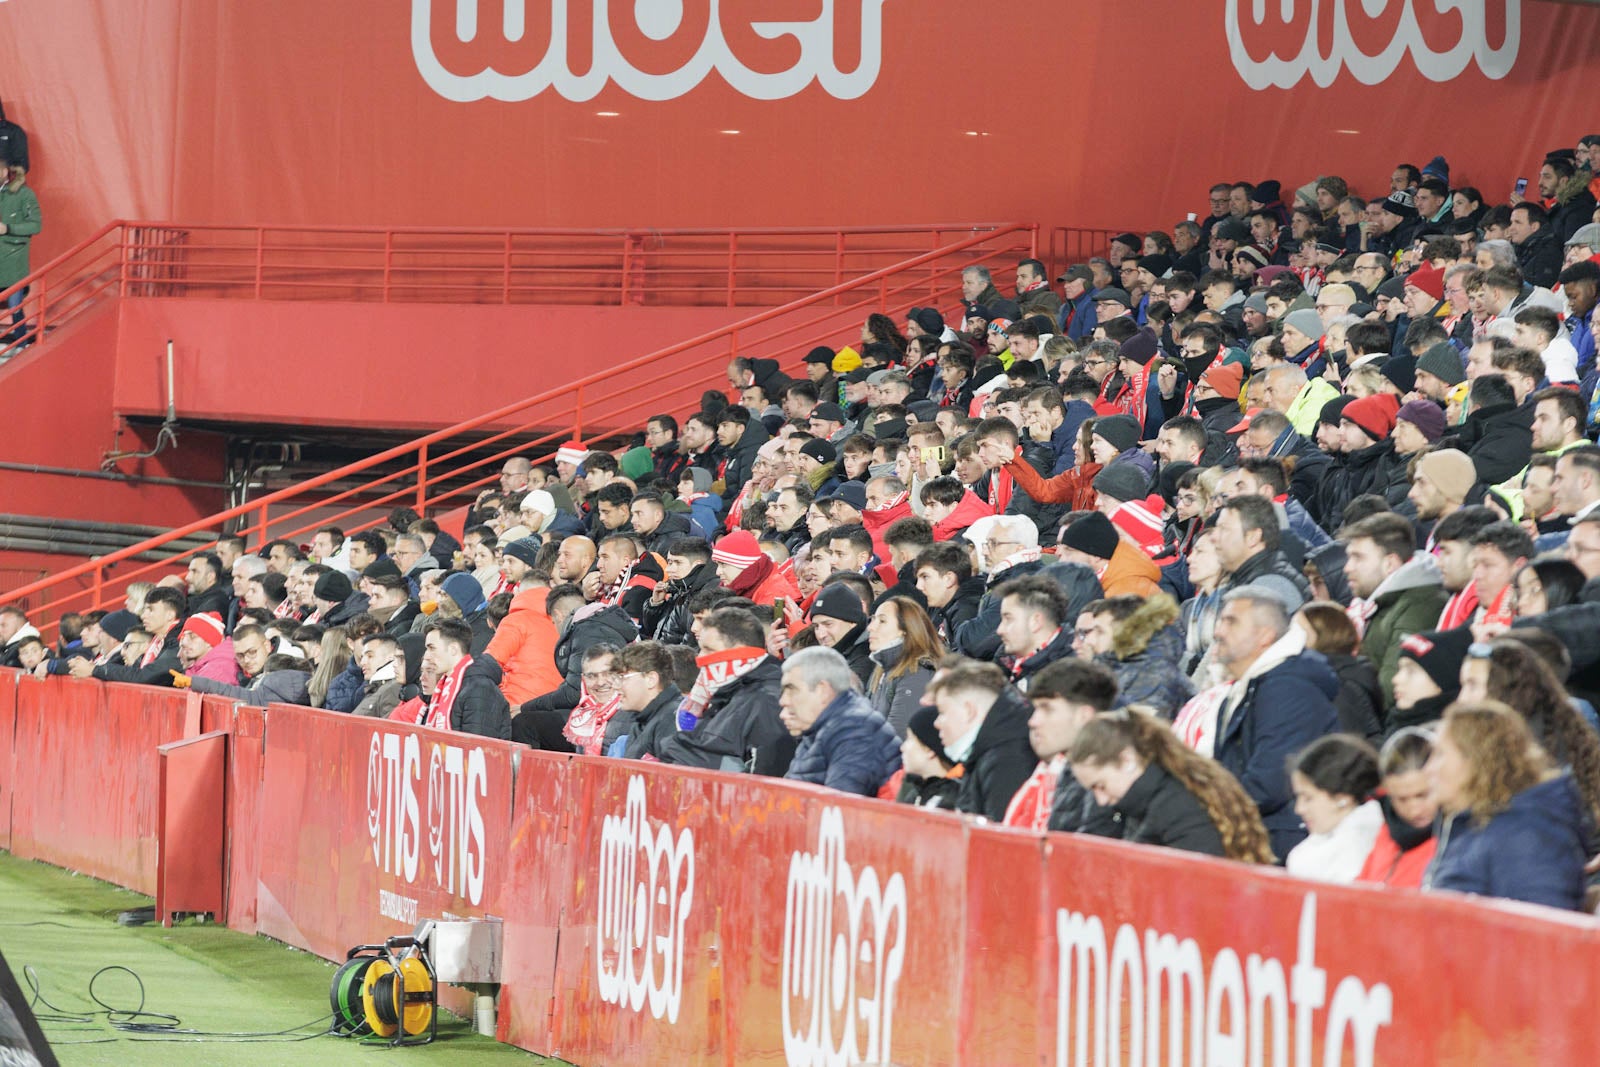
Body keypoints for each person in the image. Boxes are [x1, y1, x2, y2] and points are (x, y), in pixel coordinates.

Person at [1211, 588, 1341, 859]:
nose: (1218, 631)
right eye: (1221, 621)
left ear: (1265, 636)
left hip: (1281, 846)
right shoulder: (1252, 685)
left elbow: (1269, 782)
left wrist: (1202, 811)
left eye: (1231, 622)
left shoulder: (1288, 687)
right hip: (1256, 837)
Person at [1424, 702, 1587, 911]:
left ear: (1476, 760)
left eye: (1439, 754)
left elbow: (1542, 926)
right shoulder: (1467, 830)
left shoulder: (1526, 836)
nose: (1429, 769)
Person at [1067, 708, 1275, 862]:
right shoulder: (1148, 801)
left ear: (1127, 760)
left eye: (1100, 786)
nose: (1101, 800)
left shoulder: (1179, 806)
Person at [657, 606, 792, 776]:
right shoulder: (724, 693)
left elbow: (763, 775)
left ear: (739, 650)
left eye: (709, 649)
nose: (700, 658)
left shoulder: (767, 701)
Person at [779, 647, 902, 796]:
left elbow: (837, 805)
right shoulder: (819, 729)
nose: (783, 700)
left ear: (822, 690)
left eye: (792, 689)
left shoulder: (855, 730)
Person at [928, 659, 1036, 822]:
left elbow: (998, 834)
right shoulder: (987, 752)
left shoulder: (1007, 760)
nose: (936, 723)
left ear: (969, 711)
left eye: (942, 712)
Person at [1285, 735, 1384, 883]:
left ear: (1342, 798)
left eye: (1308, 798)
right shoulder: (1320, 845)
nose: (1299, 809)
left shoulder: (1355, 853)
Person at [1356, 728, 1439, 889]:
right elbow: (1361, 889)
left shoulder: (1458, 840)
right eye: (1402, 799)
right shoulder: (1386, 830)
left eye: (1423, 795)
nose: (1414, 810)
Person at [1293, 602, 1383, 742]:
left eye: (1298, 631)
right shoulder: (1335, 676)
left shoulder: (1339, 686)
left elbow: (1346, 747)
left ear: (1325, 636)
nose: (1290, 638)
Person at [417, 618, 511, 739]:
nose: (426, 656)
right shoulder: (444, 686)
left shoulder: (480, 689)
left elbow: (477, 746)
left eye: (432, 648)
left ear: (453, 649)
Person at [865, 596, 940, 739]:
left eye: (882, 621)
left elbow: (898, 738)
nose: (870, 627)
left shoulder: (917, 673)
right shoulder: (881, 669)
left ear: (905, 629)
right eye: (873, 620)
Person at [605, 641, 683, 760]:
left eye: (622, 677)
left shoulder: (673, 720)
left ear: (651, 679)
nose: (615, 686)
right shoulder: (642, 719)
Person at [1388, 627, 1472, 735]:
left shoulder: (1449, 740)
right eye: (1400, 669)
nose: (1396, 679)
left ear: (1442, 682)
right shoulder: (1395, 725)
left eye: (1411, 671)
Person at [0, 161, 41, 346]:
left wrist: (8, 228)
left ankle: (21, 343)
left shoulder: (24, 194)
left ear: (4, 171)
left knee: (15, 305)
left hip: (13, 260)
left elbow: (35, 225)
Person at [895, 706, 962, 809]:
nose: (902, 748)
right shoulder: (915, 793)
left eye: (910, 739)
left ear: (930, 750)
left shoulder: (950, 804)